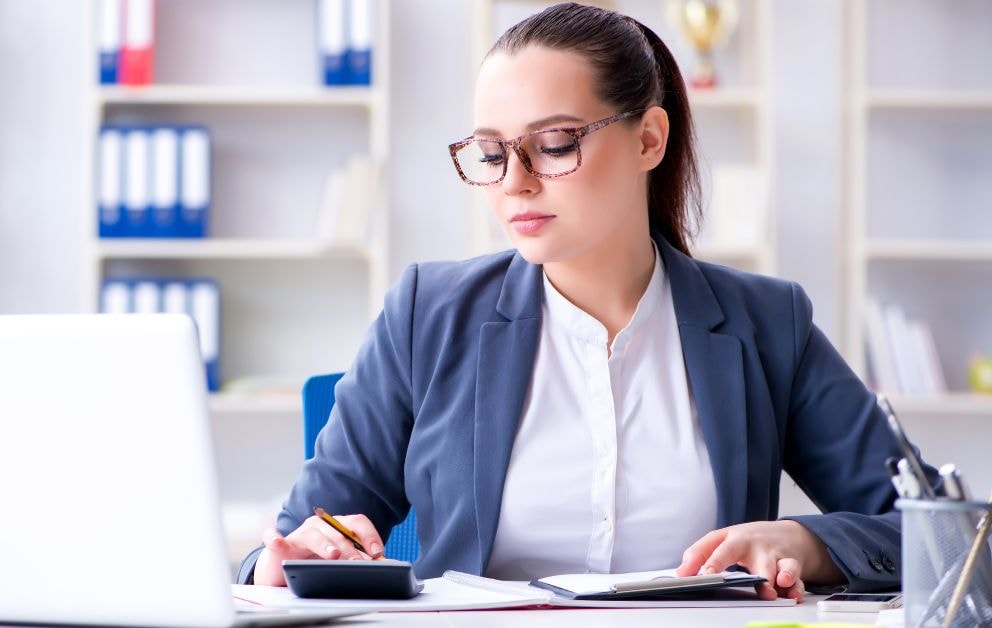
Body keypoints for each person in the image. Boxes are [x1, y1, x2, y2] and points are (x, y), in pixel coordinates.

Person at [237, 3, 933, 600]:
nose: (515, 181)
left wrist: (804, 541)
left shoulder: (765, 325)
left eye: (555, 144)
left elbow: (947, 536)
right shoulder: (427, 314)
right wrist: (290, 558)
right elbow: (289, 545)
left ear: (649, 139)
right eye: (490, 153)